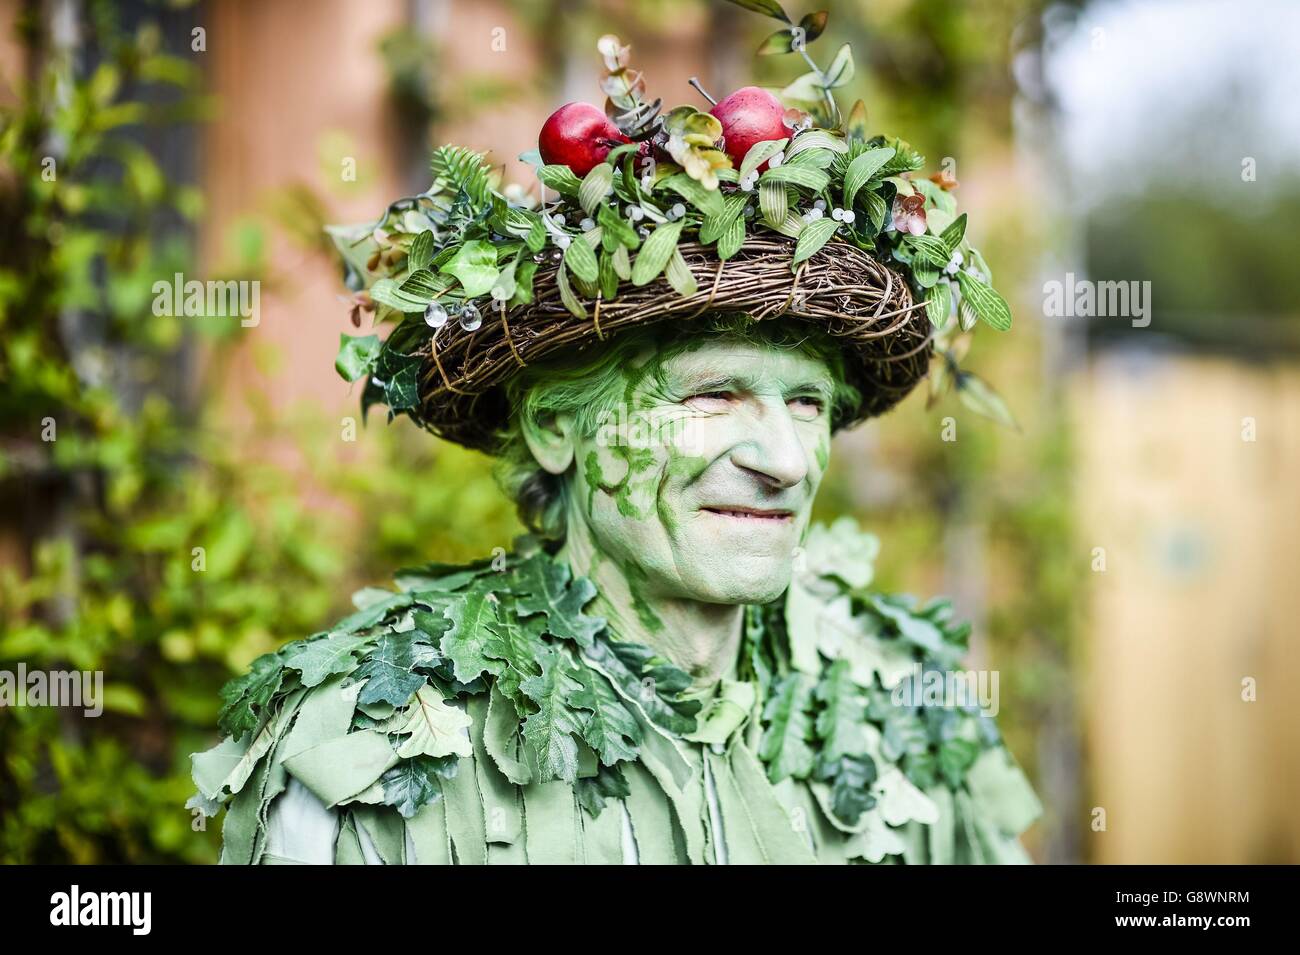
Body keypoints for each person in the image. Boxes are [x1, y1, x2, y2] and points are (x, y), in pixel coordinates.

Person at [190, 26, 1040, 865]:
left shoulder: (908, 709)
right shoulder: (366, 759)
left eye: (809, 403)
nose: (784, 461)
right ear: (556, 426)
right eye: (715, 393)